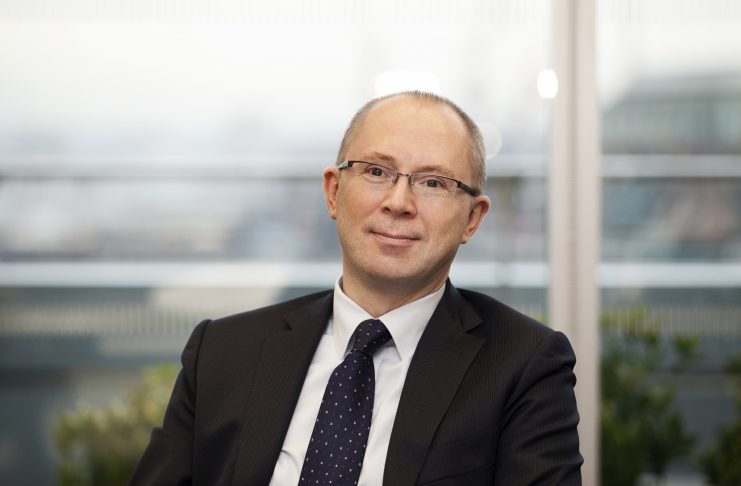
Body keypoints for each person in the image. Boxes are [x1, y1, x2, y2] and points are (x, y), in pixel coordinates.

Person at [130, 91, 582, 485]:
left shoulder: (523, 364)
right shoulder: (223, 351)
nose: (399, 203)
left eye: (433, 183)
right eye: (377, 172)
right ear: (333, 191)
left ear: (472, 219)